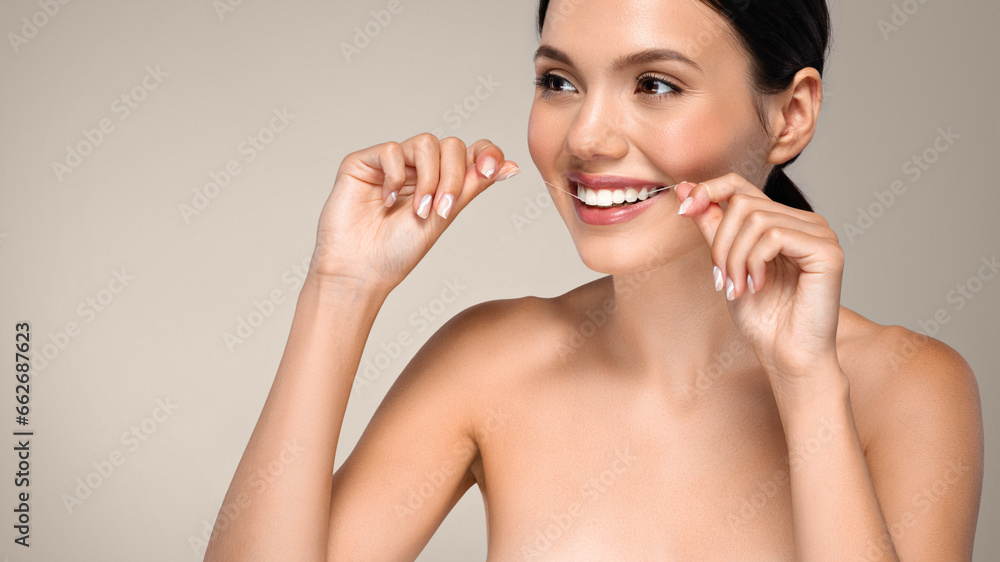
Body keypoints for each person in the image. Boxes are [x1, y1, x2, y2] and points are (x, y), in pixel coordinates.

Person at [205, 0, 984, 559]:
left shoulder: (909, 388)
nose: (585, 137)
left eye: (655, 85)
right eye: (559, 82)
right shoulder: (490, 361)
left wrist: (807, 384)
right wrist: (340, 288)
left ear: (790, 116)